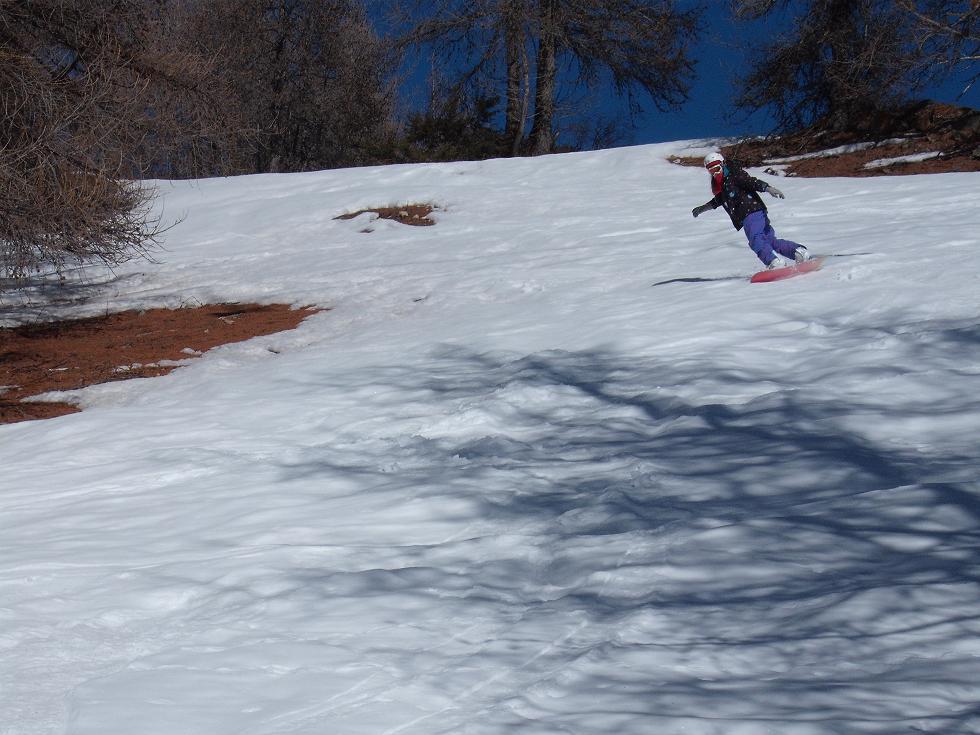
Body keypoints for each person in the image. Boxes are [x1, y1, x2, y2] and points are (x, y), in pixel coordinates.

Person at [691, 151, 810, 269]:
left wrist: (768, 188)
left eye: (716, 168)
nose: (715, 173)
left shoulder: (734, 175)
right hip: (755, 212)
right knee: (770, 241)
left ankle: (774, 261)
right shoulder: (724, 186)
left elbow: (751, 182)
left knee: (756, 239)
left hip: (750, 212)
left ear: (722, 164)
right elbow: (717, 201)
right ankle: (798, 252)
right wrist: (702, 208)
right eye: (711, 171)